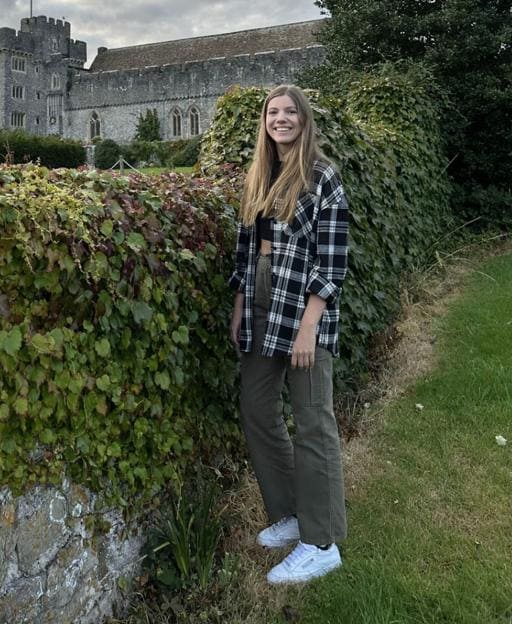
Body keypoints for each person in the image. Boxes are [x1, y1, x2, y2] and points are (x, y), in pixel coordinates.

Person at [229, 84, 349, 585]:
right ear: (264, 122)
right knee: (257, 406)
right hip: (260, 304)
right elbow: (244, 246)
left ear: (304, 119)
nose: (281, 119)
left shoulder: (323, 177)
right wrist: (239, 304)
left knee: (312, 420)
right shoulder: (259, 173)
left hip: (302, 309)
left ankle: (321, 543)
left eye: (290, 112)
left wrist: (309, 327)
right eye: (273, 112)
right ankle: (291, 514)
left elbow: (333, 260)